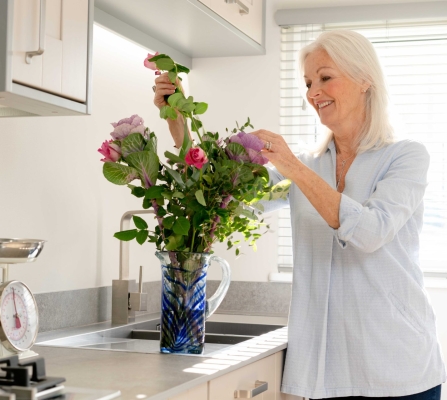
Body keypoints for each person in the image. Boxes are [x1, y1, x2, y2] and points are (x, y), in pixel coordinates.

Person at [153, 30, 446, 399]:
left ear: (365, 79)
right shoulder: (303, 168)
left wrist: (291, 165)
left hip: (397, 367)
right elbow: (222, 199)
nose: (312, 93)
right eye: (308, 82)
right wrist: (179, 126)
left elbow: (371, 232)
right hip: (327, 374)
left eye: (325, 77)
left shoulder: (405, 157)